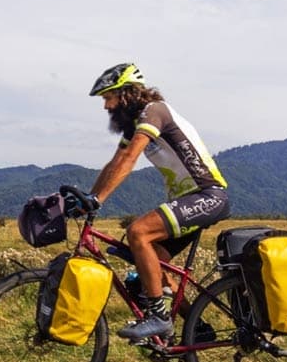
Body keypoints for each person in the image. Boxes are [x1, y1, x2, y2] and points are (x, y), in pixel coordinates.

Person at [81, 62, 231, 341]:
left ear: (126, 94)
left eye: (108, 98)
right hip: (191, 199)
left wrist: (98, 200)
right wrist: (88, 199)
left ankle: (159, 318)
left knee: (138, 231)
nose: (106, 107)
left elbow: (128, 160)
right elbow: (114, 162)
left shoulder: (155, 112)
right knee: (150, 269)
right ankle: (198, 330)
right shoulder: (136, 125)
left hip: (207, 195)